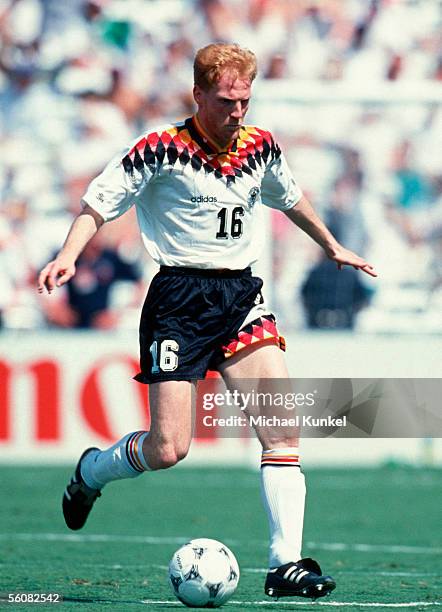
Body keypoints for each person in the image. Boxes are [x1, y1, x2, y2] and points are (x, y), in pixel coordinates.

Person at [38, 43, 377, 601]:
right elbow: (98, 203)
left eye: (245, 100)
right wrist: (70, 254)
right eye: (226, 101)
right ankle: (92, 472)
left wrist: (333, 245)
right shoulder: (159, 148)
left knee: (282, 429)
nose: (237, 111)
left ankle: (284, 566)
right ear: (198, 95)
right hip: (178, 299)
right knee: (169, 448)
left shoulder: (260, 145)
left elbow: (290, 199)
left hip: (241, 295)